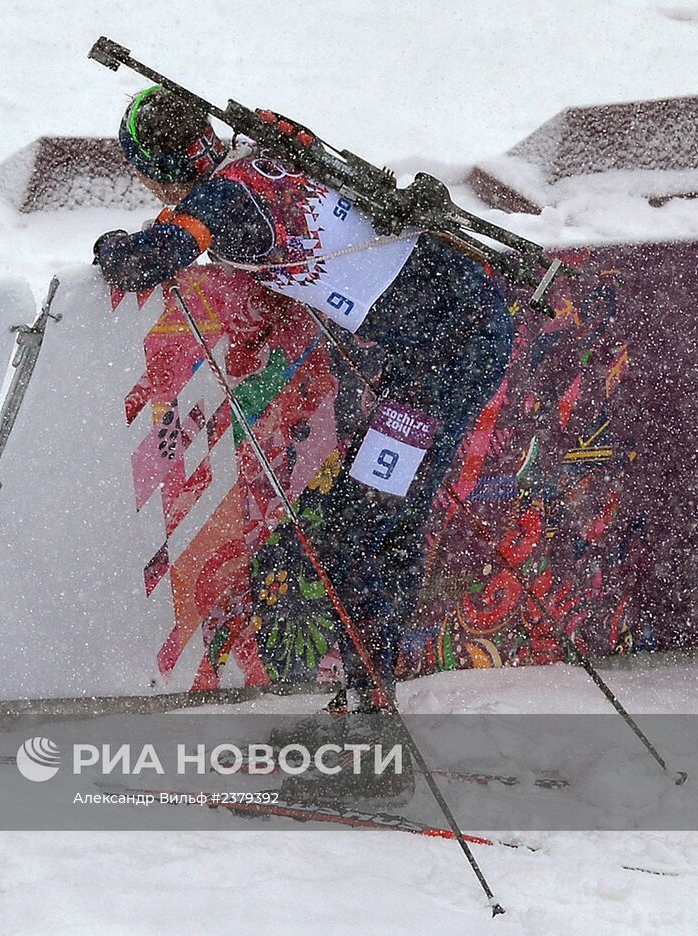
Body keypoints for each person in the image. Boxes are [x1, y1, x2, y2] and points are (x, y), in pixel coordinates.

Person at [95, 86, 516, 719]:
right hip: (451, 330)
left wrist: (110, 247)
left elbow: (147, 261)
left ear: (160, 171)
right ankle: (369, 691)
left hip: (446, 358)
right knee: (370, 521)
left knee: (368, 525)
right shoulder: (270, 150)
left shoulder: (227, 198)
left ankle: (371, 701)